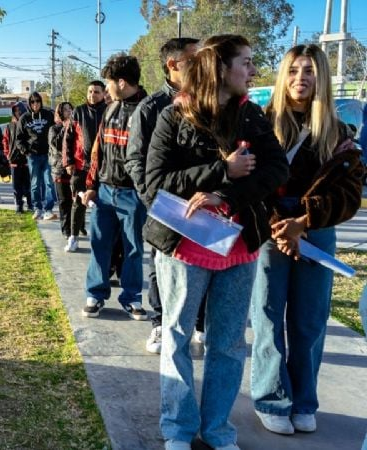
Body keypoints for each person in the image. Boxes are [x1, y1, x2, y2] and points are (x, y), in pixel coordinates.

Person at [142, 35, 289, 450]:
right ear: (221, 68)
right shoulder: (174, 117)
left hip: (239, 247)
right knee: (177, 336)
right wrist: (220, 172)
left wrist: (226, 196)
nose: (253, 71)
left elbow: (276, 170)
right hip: (183, 246)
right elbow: (155, 184)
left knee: (227, 343)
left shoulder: (253, 116)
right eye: (246, 62)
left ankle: (218, 429)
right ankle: (178, 429)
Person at [249, 44, 365, 436]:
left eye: (310, 71)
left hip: (318, 232)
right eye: (295, 70)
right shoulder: (261, 123)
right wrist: (282, 226)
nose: (301, 78)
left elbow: (350, 195)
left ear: (322, 78)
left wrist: (306, 220)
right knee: (266, 317)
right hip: (270, 232)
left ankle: (303, 401)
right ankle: (271, 398)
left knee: (310, 320)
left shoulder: (340, 131)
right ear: (284, 76)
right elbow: (249, 181)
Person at [125, 37, 200, 354]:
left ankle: (200, 325)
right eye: (194, 59)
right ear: (173, 65)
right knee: (159, 267)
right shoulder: (152, 107)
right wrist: (154, 201)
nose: (203, 66)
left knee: (203, 266)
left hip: (203, 206)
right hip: (163, 206)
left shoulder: (208, 101)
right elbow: (135, 159)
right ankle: (159, 323)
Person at [81, 54, 149, 320]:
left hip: (134, 194)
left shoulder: (148, 109)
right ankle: (96, 294)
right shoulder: (110, 109)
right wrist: (91, 186)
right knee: (100, 243)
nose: (105, 89)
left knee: (134, 248)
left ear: (121, 82)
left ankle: (131, 297)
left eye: (108, 83)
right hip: (105, 192)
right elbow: (99, 151)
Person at [64, 80, 106, 239]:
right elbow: (67, 139)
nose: (92, 95)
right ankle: (73, 237)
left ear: (103, 94)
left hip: (102, 166)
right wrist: (68, 161)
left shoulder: (109, 111)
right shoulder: (78, 112)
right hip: (81, 165)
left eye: (96, 92)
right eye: (90, 91)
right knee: (78, 202)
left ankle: (101, 238)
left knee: (101, 205)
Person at [16, 92, 57, 220]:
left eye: (37, 101)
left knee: (49, 182)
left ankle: (48, 209)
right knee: (35, 183)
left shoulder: (48, 115)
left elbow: (55, 130)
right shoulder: (24, 118)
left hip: (47, 155)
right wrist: (25, 151)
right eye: (32, 102)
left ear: (41, 102)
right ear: (29, 103)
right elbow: (19, 139)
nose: (35, 104)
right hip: (33, 156)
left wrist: (53, 149)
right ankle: (37, 208)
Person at [50, 102, 77, 248]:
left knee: (76, 202)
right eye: (65, 110)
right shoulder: (54, 128)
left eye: (70, 109)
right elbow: (56, 143)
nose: (68, 112)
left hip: (74, 169)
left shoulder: (75, 127)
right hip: (60, 169)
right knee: (64, 201)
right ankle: (66, 229)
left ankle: (75, 228)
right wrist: (65, 127)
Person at [4, 102, 33, 213]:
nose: (18, 113)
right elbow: (5, 140)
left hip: (26, 158)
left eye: (20, 110)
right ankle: (19, 205)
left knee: (28, 184)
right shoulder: (9, 126)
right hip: (14, 159)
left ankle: (30, 204)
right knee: (16, 186)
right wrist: (7, 153)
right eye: (16, 111)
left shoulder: (29, 124)